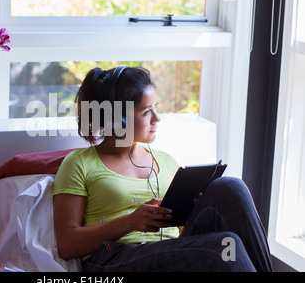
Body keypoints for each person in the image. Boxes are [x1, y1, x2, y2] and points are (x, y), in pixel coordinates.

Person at [53, 66, 273, 272]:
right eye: (147, 111)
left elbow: (183, 232)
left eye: (155, 109)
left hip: (171, 250)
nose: (158, 119)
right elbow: (67, 244)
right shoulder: (79, 163)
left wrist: (195, 208)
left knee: (230, 186)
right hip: (115, 257)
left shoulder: (166, 161)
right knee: (225, 246)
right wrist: (130, 221)